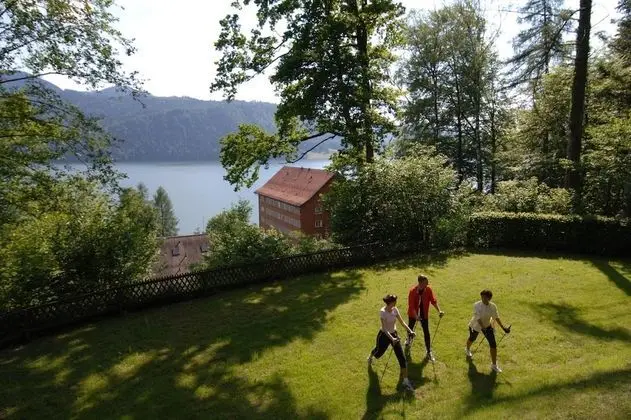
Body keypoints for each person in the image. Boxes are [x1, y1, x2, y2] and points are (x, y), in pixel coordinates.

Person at [367, 294, 416, 391]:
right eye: (394, 301)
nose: (396, 303)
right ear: (390, 302)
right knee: (378, 351)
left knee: (402, 358)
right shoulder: (383, 312)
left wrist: (410, 331)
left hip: (394, 335)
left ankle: (405, 381)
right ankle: (370, 357)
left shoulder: (395, 309)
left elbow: (402, 322)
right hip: (384, 335)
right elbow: (384, 328)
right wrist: (392, 339)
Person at [464, 289, 511, 373]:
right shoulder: (476, 305)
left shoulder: (493, 306)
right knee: (472, 338)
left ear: (489, 298)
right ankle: (467, 349)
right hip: (475, 325)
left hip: (487, 326)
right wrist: (483, 328)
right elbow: (478, 318)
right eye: (482, 297)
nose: (482, 299)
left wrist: (503, 328)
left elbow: (496, 317)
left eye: (484, 298)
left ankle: (494, 365)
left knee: (493, 344)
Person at [405, 274, 444, 361]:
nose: (427, 284)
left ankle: (428, 351)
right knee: (410, 328)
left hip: (424, 314)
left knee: (426, 332)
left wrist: (439, 311)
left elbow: (433, 300)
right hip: (413, 314)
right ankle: (408, 339)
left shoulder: (428, 289)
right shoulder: (412, 291)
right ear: (420, 282)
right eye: (426, 283)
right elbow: (411, 306)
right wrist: (416, 316)